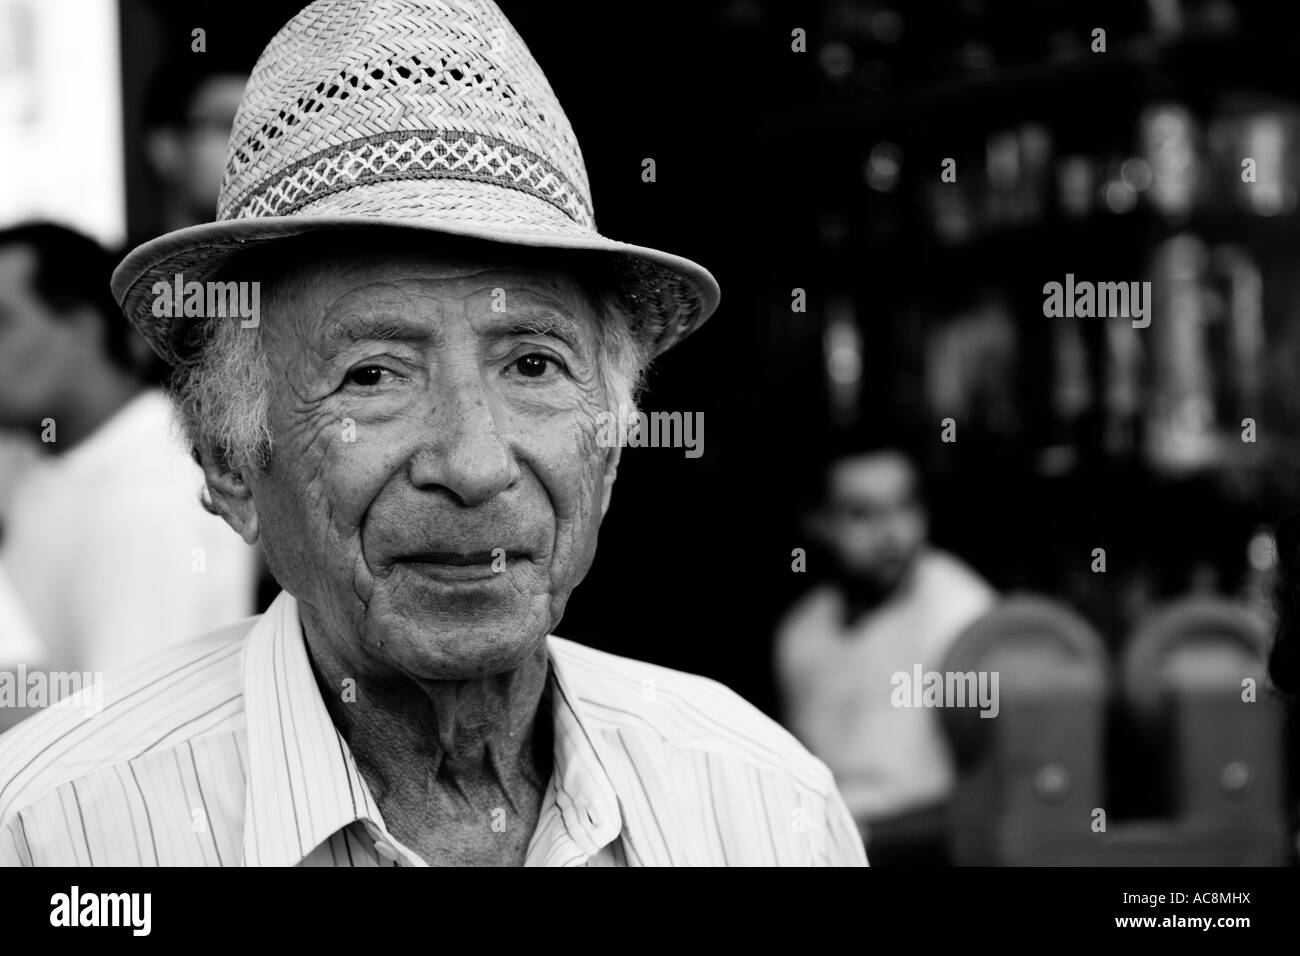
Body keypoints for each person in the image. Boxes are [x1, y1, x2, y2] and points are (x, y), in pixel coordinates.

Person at [0, 0, 864, 867]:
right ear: (231, 465)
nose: (476, 465)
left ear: (606, 452)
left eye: (533, 365)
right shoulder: (59, 830)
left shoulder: (765, 803)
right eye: (372, 375)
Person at [0, 223, 258, 677]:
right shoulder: (37, 453)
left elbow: (119, 729)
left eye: (2, 322)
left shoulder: (156, 490)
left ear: (82, 331)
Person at [775, 431, 996, 865]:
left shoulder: (964, 615)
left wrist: (873, 835)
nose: (891, 532)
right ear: (819, 523)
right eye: (862, 514)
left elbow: (993, 795)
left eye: (904, 506)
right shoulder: (800, 632)